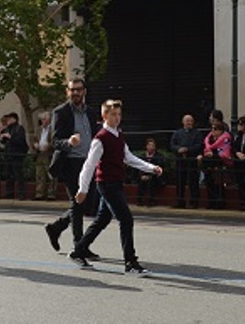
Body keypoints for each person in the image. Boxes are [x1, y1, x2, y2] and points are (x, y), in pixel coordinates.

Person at [67, 100, 162, 276]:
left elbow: (129, 157)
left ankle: (78, 250)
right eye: (113, 114)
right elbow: (89, 165)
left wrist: (151, 167)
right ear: (104, 116)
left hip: (116, 183)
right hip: (107, 185)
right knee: (126, 220)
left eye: (119, 114)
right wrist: (83, 189)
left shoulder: (119, 135)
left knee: (102, 220)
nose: (117, 118)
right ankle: (130, 263)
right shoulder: (101, 138)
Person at [44, 78, 101, 255]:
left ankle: (56, 227)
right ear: (67, 92)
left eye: (79, 89)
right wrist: (69, 141)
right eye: (72, 90)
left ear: (84, 91)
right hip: (70, 162)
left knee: (88, 204)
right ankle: (80, 246)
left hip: (89, 162)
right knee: (78, 202)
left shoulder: (91, 112)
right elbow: (54, 141)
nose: (75, 93)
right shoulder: (61, 112)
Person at [168, 114, 203, 209]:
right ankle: (180, 201)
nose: (189, 123)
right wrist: (178, 149)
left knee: (193, 181)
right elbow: (172, 144)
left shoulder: (197, 133)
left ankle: (194, 202)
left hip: (191, 159)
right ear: (183, 122)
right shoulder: (177, 133)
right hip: (180, 160)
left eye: (190, 121)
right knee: (180, 181)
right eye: (187, 121)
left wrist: (187, 149)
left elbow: (199, 145)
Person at [198, 122, 233, 210]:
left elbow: (224, 153)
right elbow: (204, 148)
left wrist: (213, 155)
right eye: (212, 129)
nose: (213, 131)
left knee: (218, 185)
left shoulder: (225, 139)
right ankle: (211, 202)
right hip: (208, 165)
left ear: (220, 131)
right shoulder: (209, 139)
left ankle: (219, 203)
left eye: (215, 129)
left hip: (218, 165)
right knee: (209, 184)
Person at [0, 112, 29, 200]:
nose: (8, 120)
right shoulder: (8, 129)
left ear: (14, 119)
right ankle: (9, 192)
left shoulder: (19, 129)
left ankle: (21, 194)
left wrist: (10, 137)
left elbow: (20, 141)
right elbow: (4, 141)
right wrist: (2, 138)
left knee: (18, 175)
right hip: (9, 154)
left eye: (9, 118)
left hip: (17, 155)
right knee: (9, 175)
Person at [32, 111, 57, 201]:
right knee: (39, 175)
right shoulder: (39, 129)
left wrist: (49, 145)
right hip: (39, 153)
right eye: (42, 119)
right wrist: (35, 144)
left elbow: (56, 142)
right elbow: (34, 139)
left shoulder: (53, 129)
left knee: (50, 175)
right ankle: (39, 194)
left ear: (49, 119)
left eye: (44, 119)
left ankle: (51, 194)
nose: (43, 121)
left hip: (49, 154)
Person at [136, 138, 165, 207]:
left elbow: (159, 168)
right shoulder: (142, 156)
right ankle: (139, 200)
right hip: (144, 175)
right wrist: (142, 175)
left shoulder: (159, 156)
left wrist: (150, 176)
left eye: (152, 145)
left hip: (155, 176)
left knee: (151, 182)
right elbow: (139, 167)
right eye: (149, 145)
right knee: (141, 181)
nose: (151, 147)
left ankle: (151, 201)